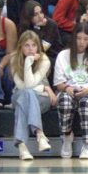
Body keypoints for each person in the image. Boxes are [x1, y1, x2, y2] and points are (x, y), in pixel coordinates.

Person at [52, 24, 88, 160]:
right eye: (78, 38)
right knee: (64, 101)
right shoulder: (63, 55)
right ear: (73, 38)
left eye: (85, 39)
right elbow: (59, 83)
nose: (81, 42)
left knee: (85, 102)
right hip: (69, 90)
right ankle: (66, 137)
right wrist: (67, 89)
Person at [10, 30, 56, 161]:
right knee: (26, 93)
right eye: (27, 45)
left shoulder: (44, 60)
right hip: (20, 94)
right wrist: (43, 87)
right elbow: (23, 86)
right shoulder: (14, 58)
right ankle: (40, 134)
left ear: (38, 47)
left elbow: (29, 84)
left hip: (41, 99)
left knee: (22, 104)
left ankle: (22, 146)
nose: (31, 49)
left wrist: (28, 62)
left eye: (34, 45)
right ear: (20, 47)